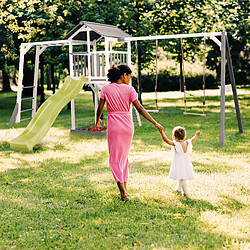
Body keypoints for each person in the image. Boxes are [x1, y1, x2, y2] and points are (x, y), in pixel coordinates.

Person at [96, 65, 163, 201]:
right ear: (124, 75)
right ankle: (124, 189)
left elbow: (100, 108)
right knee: (123, 158)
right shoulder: (130, 90)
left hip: (114, 126)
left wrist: (97, 121)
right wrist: (154, 122)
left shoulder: (105, 89)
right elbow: (140, 108)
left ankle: (123, 192)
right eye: (129, 76)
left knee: (115, 159)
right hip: (127, 127)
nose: (129, 79)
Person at [159, 126, 201, 198]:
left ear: (174, 136)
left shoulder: (176, 144)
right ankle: (178, 189)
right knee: (180, 176)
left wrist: (162, 132)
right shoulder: (187, 143)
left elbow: (166, 140)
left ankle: (186, 194)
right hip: (186, 162)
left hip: (179, 163)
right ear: (184, 136)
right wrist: (196, 135)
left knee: (182, 178)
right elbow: (192, 140)